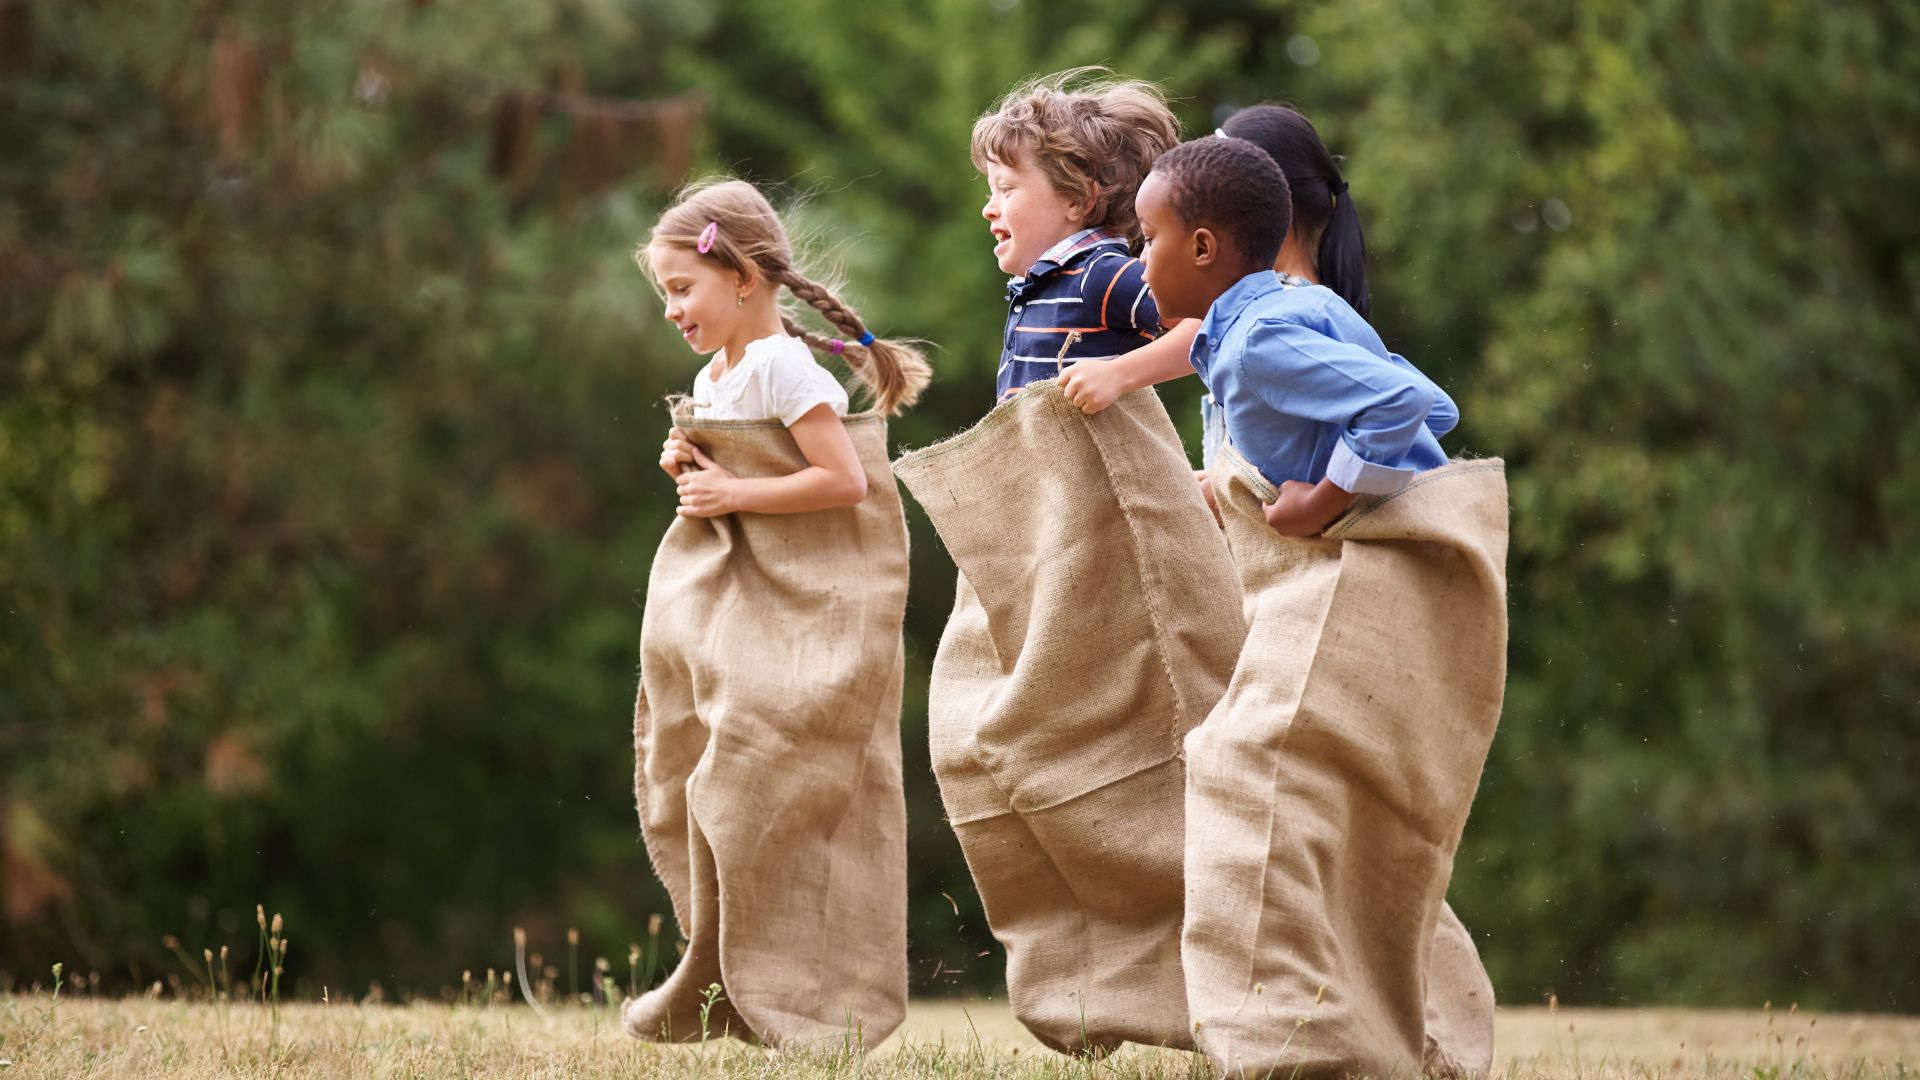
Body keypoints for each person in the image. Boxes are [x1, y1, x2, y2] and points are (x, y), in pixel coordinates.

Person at [1140, 135, 1508, 1078]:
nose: (1138, 260)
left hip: (1371, 578)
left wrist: (1326, 494)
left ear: (1207, 247)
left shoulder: (1262, 335)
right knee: (1314, 798)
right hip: (1357, 586)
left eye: (1149, 237)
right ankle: (1381, 1035)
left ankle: (1287, 1045)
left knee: (1239, 763)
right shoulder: (1257, 330)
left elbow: (1416, 404)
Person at [624, 177, 927, 1050]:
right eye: (665, 294)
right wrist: (689, 461)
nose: (673, 310)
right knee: (697, 777)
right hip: (730, 613)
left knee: (756, 782)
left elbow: (845, 481)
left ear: (744, 277)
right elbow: (725, 486)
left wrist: (736, 486)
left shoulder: (784, 365)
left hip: (797, 616)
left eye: (683, 288)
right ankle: (720, 972)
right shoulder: (715, 372)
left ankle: (798, 994)